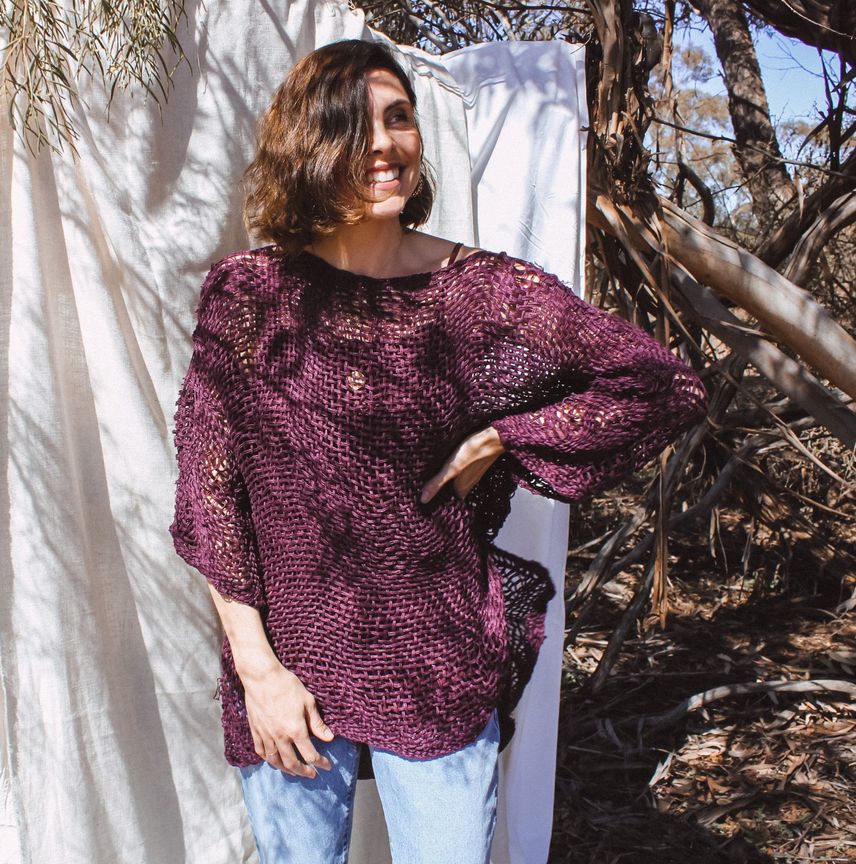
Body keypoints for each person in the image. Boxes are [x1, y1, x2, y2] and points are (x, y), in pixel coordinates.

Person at [170, 39, 708, 864]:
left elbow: (660, 384)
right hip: (288, 665)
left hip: (435, 657)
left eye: (399, 118)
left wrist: (505, 437)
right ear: (307, 145)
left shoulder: (479, 293)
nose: (384, 143)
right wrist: (259, 673)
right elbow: (212, 500)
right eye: (355, 125)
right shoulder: (250, 296)